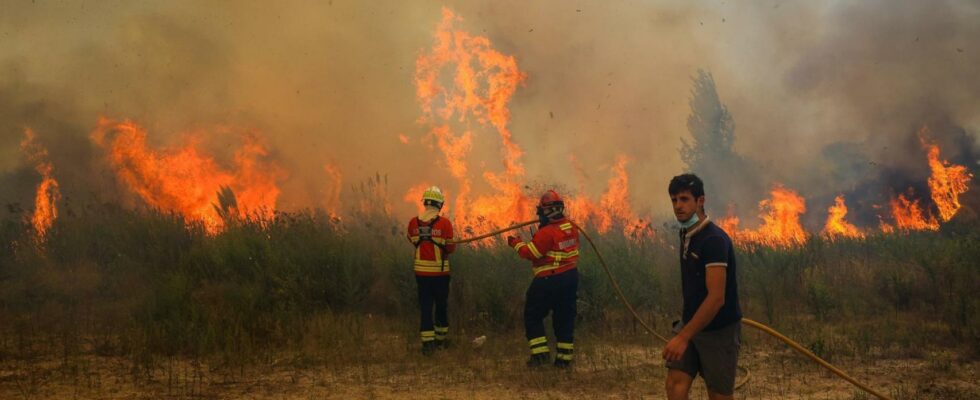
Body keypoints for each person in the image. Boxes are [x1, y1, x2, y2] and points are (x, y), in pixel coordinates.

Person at [663, 174, 743, 399]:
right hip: (690, 323)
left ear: (700, 201)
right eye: (674, 200)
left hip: (718, 331)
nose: (678, 206)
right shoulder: (686, 233)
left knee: (718, 395)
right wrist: (686, 331)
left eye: (684, 199)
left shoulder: (713, 240)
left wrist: (682, 337)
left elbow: (716, 298)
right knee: (675, 384)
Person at [507, 190, 580, 368]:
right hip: (570, 277)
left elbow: (531, 253)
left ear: (548, 211)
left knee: (533, 315)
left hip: (549, 280)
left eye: (541, 211)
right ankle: (564, 360)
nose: (539, 214)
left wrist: (515, 243)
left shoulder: (547, 232)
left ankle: (540, 357)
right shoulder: (571, 227)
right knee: (564, 318)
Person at [406, 186, 456, 355]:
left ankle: (427, 345)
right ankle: (440, 340)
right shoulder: (444, 223)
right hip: (440, 275)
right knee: (441, 306)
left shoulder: (413, 223)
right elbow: (451, 248)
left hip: (421, 275)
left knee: (425, 307)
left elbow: (412, 240)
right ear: (439, 204)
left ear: (425, 203)